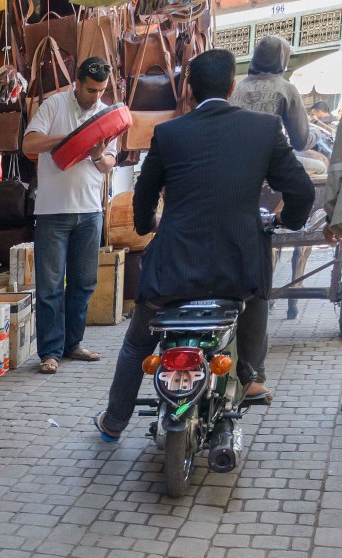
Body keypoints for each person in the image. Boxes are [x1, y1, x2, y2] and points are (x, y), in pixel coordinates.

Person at [94, 49, 314, 440]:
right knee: (257, 302)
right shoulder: (264, 129)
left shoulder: (169, 133)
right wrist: (284, 221)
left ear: (190, 91)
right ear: (232, 87)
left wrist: (148, 225)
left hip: (172, 272)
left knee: (135, 346)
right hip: (238, 270)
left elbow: (143, 198)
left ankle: (114, 422)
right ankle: (250, 377)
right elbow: (300, 191)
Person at [22, 56, 119, 375]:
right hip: (52, 211)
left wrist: (96, 154)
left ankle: (73, 344)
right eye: (90, 90)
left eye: (101, 90)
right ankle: (49, 351)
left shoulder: (106, 114)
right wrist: (66, 140)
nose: (95, 97)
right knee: (50, 285)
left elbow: (108, 163)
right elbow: (29, 144)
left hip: (90, 211)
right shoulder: (54, 105)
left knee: (84, 283)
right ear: (76, 83)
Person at [232, 36, 326, 175]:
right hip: (268, 162)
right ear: (283, 59)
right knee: (321, 166)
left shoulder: (238, 87)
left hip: (236, 160)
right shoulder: (286, 89)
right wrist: (317, 133)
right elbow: (300, 143)